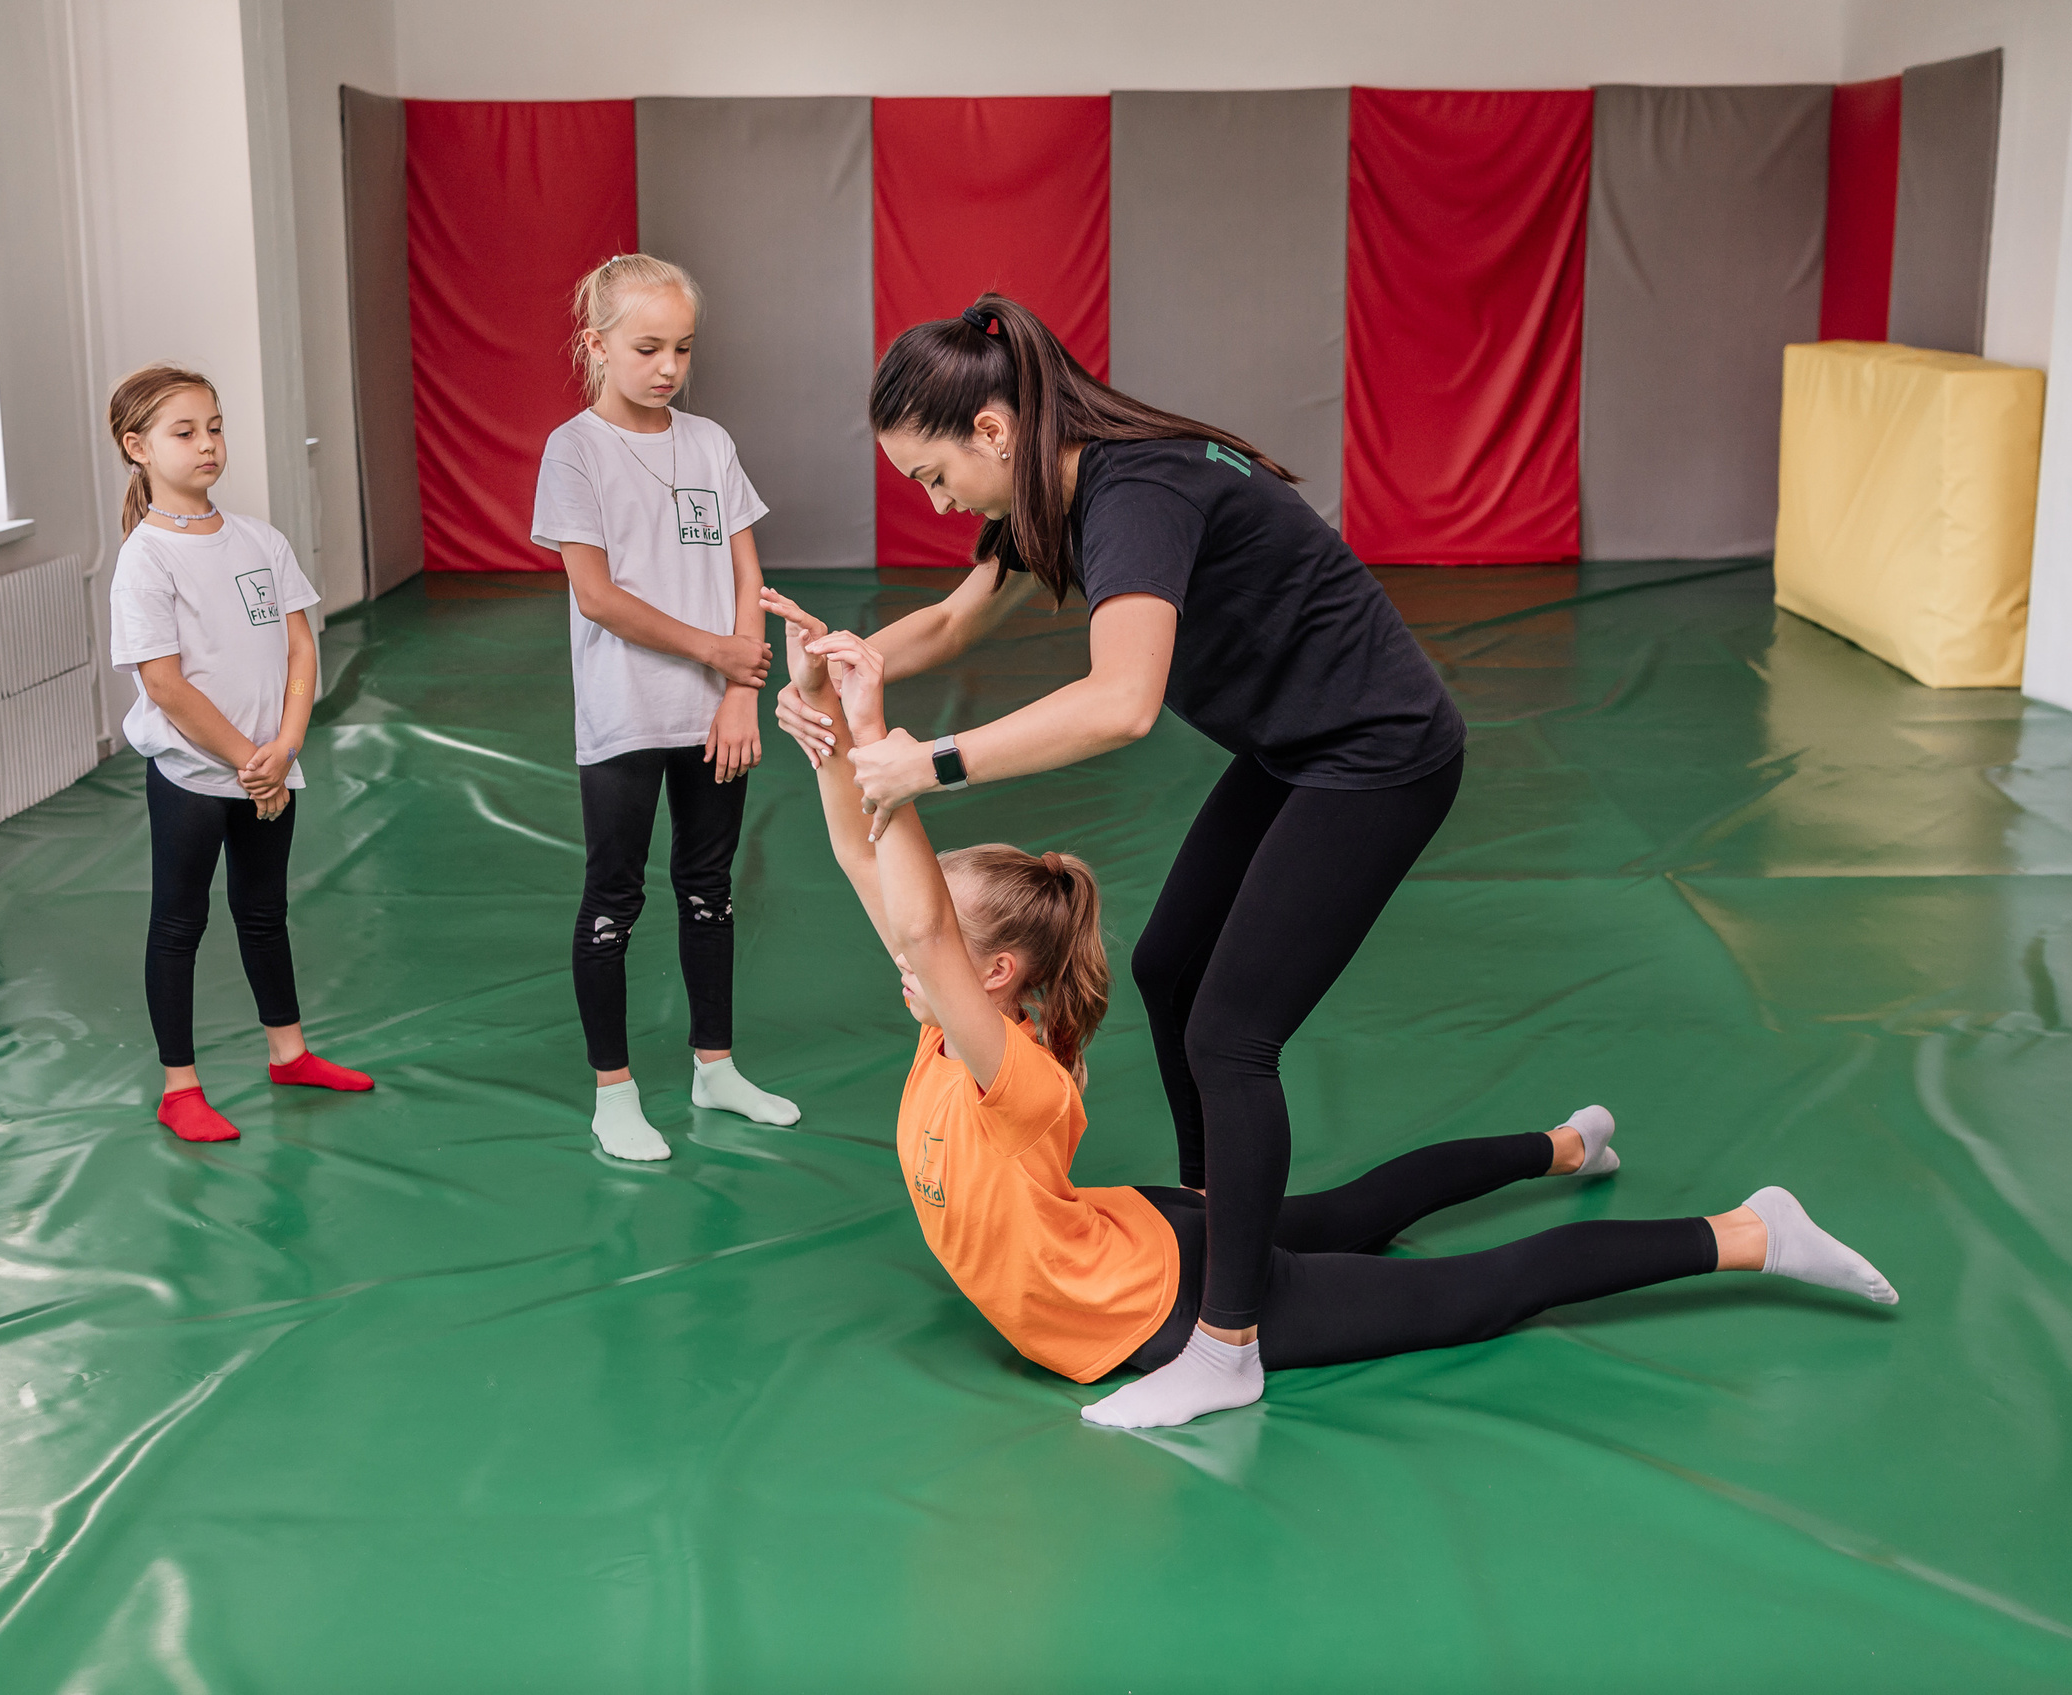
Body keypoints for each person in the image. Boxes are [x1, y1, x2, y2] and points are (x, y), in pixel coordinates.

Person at [770, 596, 1898, 1424]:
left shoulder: (1004, 1069)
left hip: (1154, 1303)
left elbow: (918, 924)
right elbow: (867, 862)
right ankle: (1563, 1145)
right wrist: (825, 711)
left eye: (938, 957)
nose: (902, 955)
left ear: (1000, 974)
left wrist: (883, 744)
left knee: (1468, 1291)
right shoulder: (948, 1008)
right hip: (1146, 1228)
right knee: (1354, 1206)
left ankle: (1752, 1231)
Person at [770, 292, 1469, 1426]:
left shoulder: (1133, 494)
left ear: (992, 431)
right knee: (1166, 965)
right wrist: (827, 674)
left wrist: (924, 764)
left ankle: (1227, 1336)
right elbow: (949, 624)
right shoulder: (1050, 488)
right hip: (1294, 746)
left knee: (1230, 1031)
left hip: (1377, 754)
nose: (937, 500)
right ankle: (1216, 1210)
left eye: (933, 476)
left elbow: (1121, 702)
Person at [530, 253, 799, 1162]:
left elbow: (744, 572)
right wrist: (714, 651)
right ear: (595, 344)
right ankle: (613, 1092)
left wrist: (736, 692)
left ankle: (715, 1068)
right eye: (647, 347)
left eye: (682, 349)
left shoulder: (708, 443)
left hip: (713, 717)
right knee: (613, 896)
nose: (667, 368)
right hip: (624, 717)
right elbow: (596, 595)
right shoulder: (574, 450)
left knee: (710, 890)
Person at [105, 364, 373, 1144]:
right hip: (196, 776)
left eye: (214, 426)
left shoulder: (260, 538)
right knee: (178, 922)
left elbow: (298, 647)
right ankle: (178, 1085)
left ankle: (288, 1052)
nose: (208, 444)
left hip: (271, 767)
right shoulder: (145, 558)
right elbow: (165, 683)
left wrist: (284, 746)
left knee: (263, 912)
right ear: (138, 448)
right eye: (184, 432)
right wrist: (246, 758)